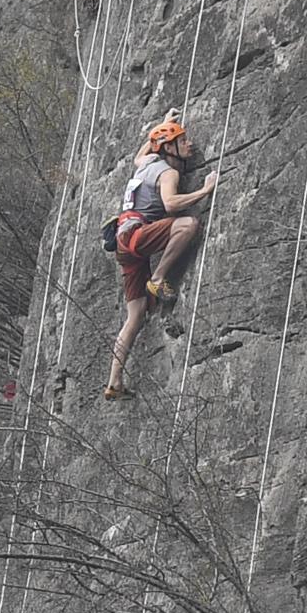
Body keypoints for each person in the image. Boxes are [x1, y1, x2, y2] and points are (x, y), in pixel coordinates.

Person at [101, 113, 223, 399]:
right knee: (188, 224)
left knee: (136, 315)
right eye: (182, 141)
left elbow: (141, 153)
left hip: (124, 242)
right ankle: (158, 277)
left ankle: (114, 382)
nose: (189, 144)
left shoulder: (146, 162)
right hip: (136, 236)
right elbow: (170, 204)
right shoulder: (169, 173)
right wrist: (205, 190)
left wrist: (163, 125)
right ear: (168, 148)